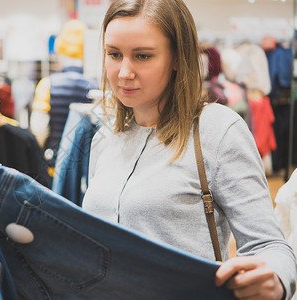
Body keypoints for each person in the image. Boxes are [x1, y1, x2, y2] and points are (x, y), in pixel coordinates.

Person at [81, 0, 296, 299]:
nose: (124, 72)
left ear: (178, 57)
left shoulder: (217, 131)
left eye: (143, 56)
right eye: (114, 54)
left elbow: (268, 245)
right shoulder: (104, 138)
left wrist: (274, 279)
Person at [30, 19, 98, 174]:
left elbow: (39, 130)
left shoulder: (47, 85)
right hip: (85, 166)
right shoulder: (95, 86)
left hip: (54, 163)